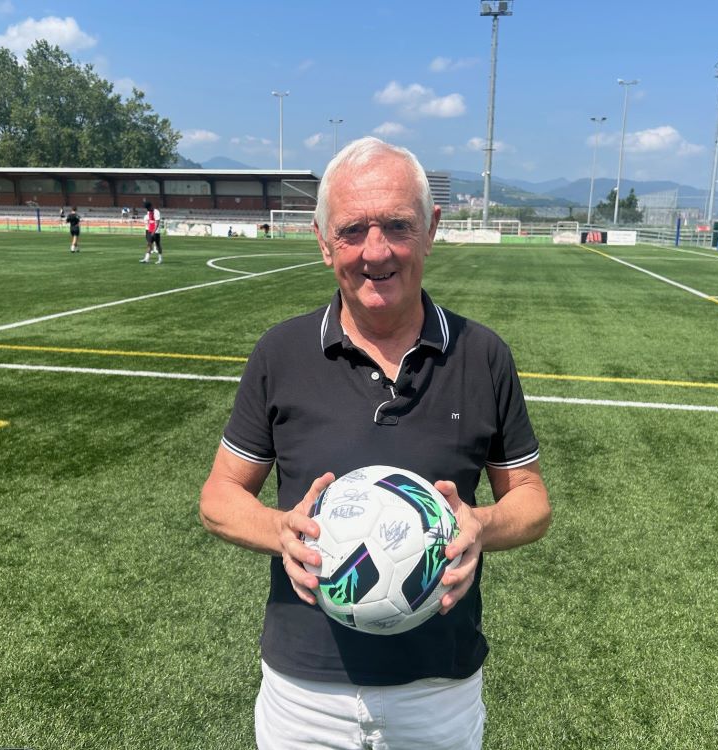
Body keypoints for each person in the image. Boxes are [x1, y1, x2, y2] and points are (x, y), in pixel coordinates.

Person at [199, 137, 551, 750]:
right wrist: (281, 531)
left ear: (431, 229)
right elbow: (219, 496)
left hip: (438, 689)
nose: (376, 251)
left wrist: (481, 525)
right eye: (353, 230)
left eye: (397, 225)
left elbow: (532, 500)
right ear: (322, 240)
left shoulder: (483, 355)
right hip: (304, 695)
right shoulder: (280, 353)